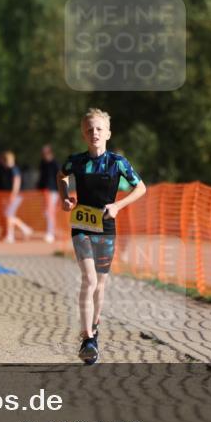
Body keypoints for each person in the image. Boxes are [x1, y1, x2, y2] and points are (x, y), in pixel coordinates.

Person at [58, 108, 147, 365]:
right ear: (83, 134)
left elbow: (141, 187)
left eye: (99, 129)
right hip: (81, 227)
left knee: (100, 284)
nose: (94, 133)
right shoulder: (75, 161)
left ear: (108, 133)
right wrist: (65, 197)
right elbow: (61, 175)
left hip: (106, 228)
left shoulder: (118, 162)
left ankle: (94, 329)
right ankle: (87, 339)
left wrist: (118, 206)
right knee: (89, 279)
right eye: (89, 129)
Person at [1, 151, 33, 243]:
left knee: (8, 215)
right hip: (13, 195)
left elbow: (16, 182)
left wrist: (13, 195)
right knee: (9, 215)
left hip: (16, 195)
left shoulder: (14, 169)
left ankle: (13, 235)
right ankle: (24, 230)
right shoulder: (9, 170)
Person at [37, 144, 60, 242]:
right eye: (43, 153)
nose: (44, 155)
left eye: (45, 153)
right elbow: (41, 177)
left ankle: (50, 233)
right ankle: (52, 231)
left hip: (53, 191)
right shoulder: (42, 163)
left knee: (49, 212)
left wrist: (61, 192)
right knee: (46, 212)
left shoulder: (55, 164)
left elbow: (60, 178)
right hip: (44, 191)